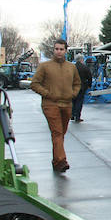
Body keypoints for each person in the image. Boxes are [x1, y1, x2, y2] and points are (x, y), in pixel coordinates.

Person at [31, 39, 81, 173]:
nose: (58, 51)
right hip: (50, 104)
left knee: (60, 134)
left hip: (67, 104)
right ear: (53, 50)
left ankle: (56, 161)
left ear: (65, 51)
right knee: (57, 132)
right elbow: (34, 84)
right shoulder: (45, 66)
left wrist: (73, 93)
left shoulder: (71, 67)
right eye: (56, 49)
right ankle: (61, 161)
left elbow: (77, 83)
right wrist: (47, 94)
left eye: (61, 49)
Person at [71, 54, 92, 122]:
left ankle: (72, 115)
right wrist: (89, 85)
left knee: (73, 101)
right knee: (79, 102)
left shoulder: (72, 67)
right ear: (82, 60)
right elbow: (89, 77)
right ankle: (77, 117)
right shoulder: (85, 67)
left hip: (72, 87)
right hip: (81, 87)